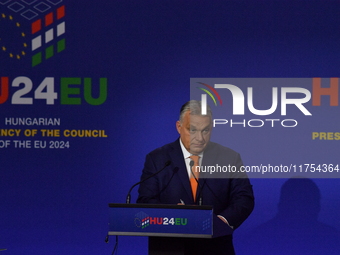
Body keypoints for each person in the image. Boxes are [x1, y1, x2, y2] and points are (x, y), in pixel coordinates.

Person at [137, 100, 254, 255]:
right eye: (192, 130)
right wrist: (171, 214)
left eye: (205, 130)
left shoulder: (229, 158)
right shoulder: (158, 159)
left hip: (215, 247)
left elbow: (244, 198)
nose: (200, 138)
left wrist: (221, 221)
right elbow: (145, 200)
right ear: (179, 127)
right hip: (169, 248)